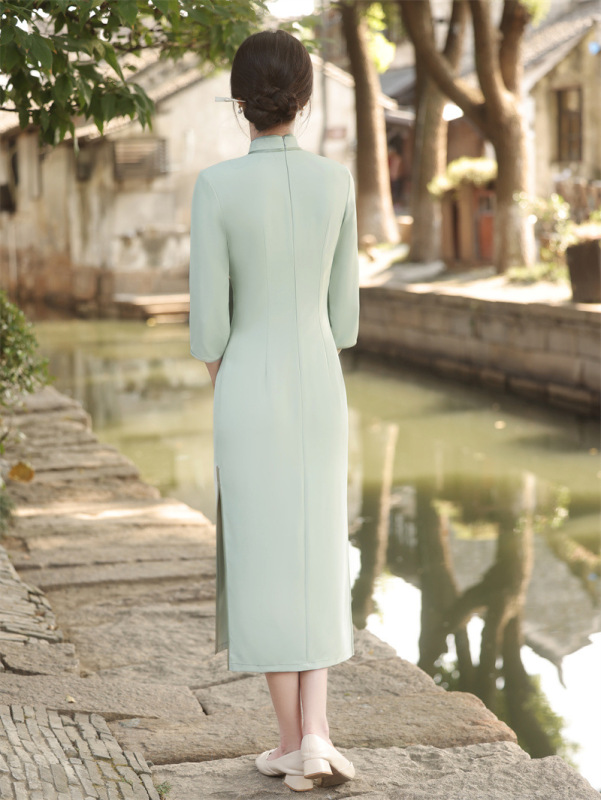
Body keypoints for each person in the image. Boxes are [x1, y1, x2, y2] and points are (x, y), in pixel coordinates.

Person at [188, 29, 360, 792]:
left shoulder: (215, 187)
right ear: (305, 97)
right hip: (319, 383)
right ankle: (315, 735)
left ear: (240, 102)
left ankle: (293, 741)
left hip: (246, 385)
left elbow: (207, 330)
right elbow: (345, 322)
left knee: (260, 559)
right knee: (316, 551)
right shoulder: (336, 182)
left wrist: (227, 378)